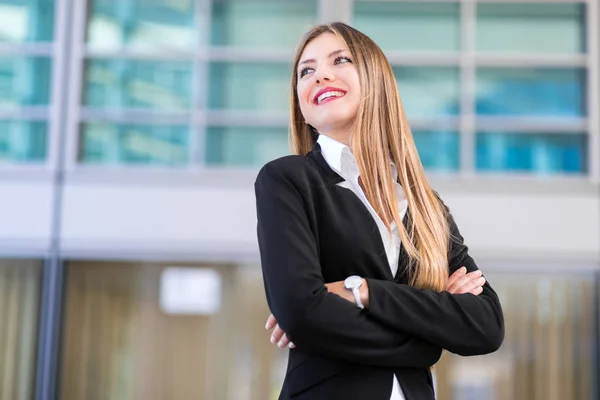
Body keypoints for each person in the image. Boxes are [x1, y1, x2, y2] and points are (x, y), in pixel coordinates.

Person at [254, 22, 504, 400]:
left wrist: (363, 292)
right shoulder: (287, 181)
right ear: (301, 105)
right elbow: (302, 313)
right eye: (306, 71)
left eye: (340, 60)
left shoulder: (424, 205)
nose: (320, 74)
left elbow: (485, 325)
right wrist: (427, 339)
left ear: (376, 82)